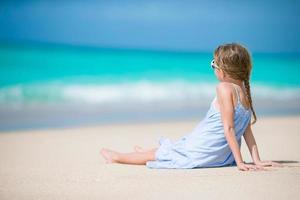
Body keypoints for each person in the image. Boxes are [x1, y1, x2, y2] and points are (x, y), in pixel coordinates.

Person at [100, 43, 283, 171]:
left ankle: (117, 157)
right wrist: (256, 160)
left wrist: (241, 162)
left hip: (202, 149)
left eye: (214, 64)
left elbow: (229, 128)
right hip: (220, 156)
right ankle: (145, 152)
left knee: (162, 154)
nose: (213, 68)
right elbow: (247, 131)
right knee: (169, 149)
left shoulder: (224, 88)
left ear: (223, 70)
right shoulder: (244, 91)